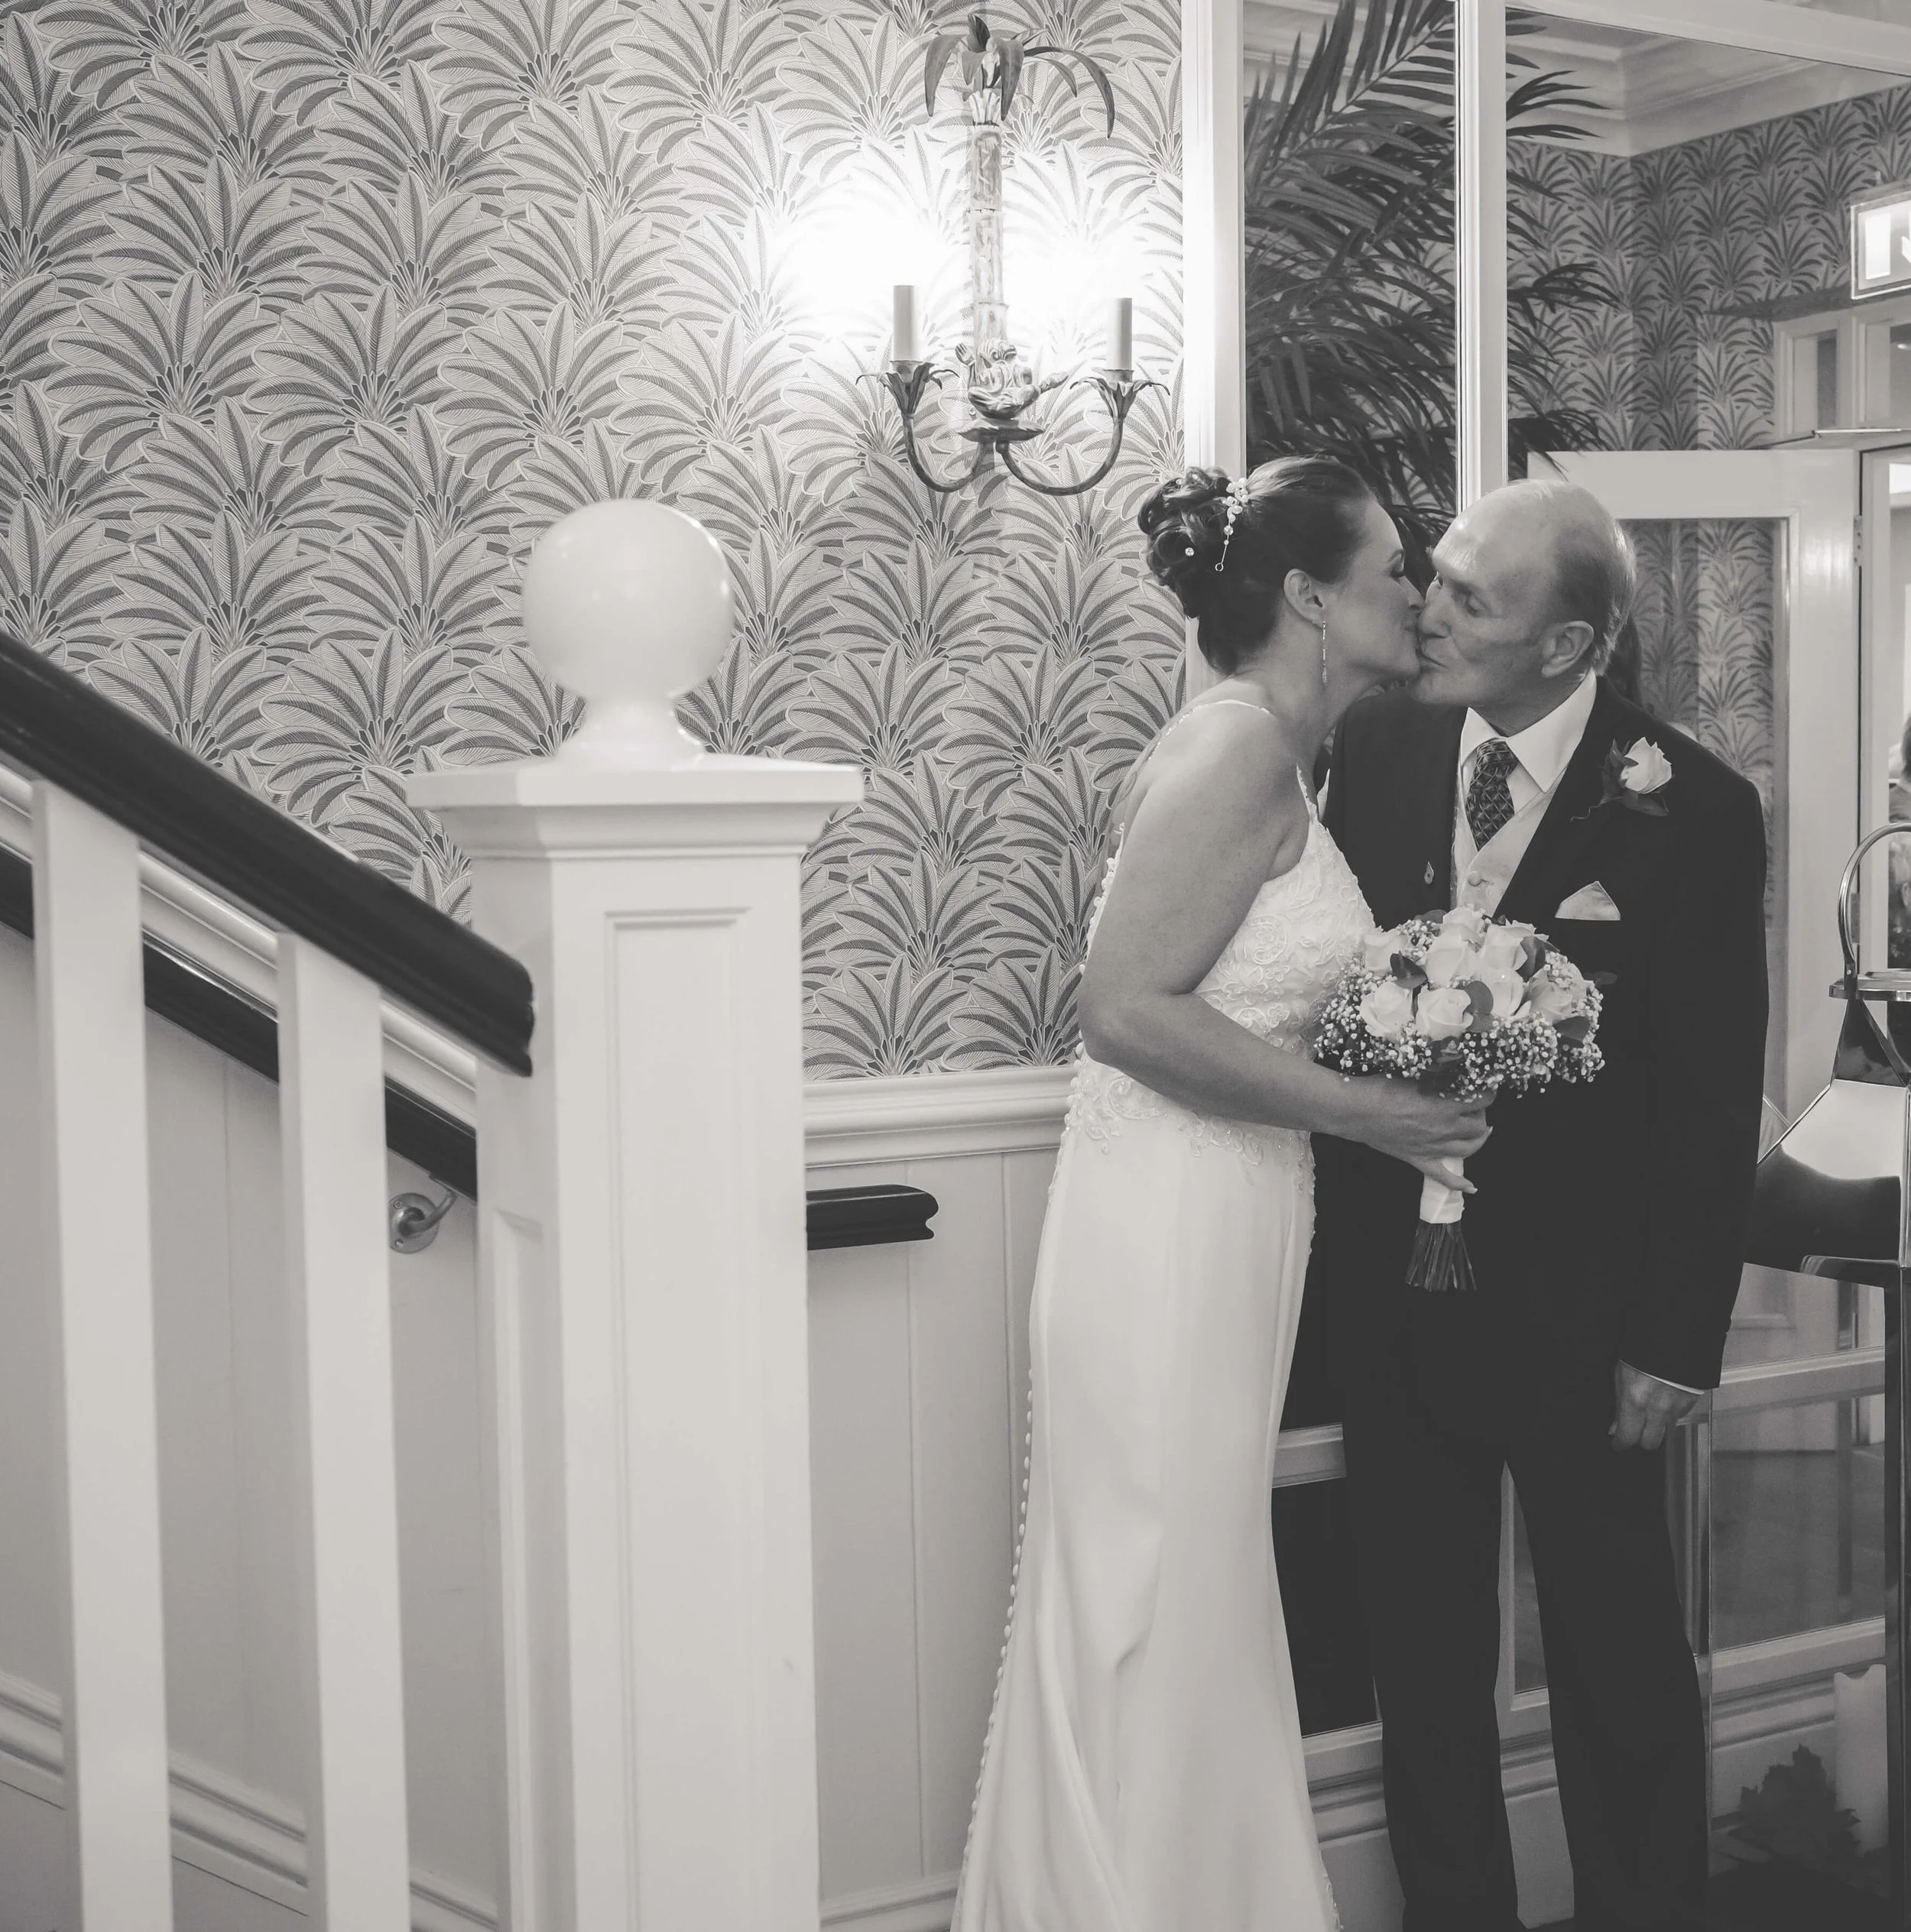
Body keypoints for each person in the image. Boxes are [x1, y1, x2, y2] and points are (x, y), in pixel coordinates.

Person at [949, 459, 1493, 1932]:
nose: (1421, 593)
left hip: (1235, 1205)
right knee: (1158, 1585)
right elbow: (1123, 1010)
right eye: (1397, 568)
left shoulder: (1289, 759)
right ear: (1312, 598)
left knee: (1194, 1587)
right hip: (1167, 1223)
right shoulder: (1240, 751)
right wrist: (1374, 1113)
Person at [1306, 478, 1769, 1931]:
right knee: (1424, 1667)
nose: (1427, 611)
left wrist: (1680, 1339)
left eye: (1472, 599)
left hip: (1592, 1324)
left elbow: (1709, 1097)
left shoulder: (1694, 806)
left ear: (1570, 646)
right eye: (1434, 576)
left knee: (1621, 1666)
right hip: (1394, 1305)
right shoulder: (1372, 748)